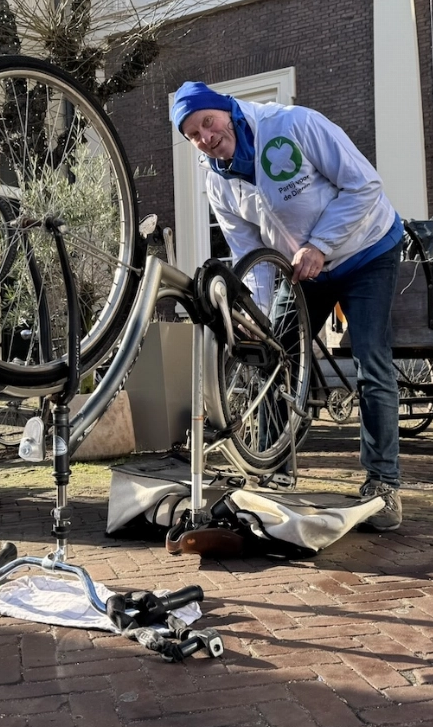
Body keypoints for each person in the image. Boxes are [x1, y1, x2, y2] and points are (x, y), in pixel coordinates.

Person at [171, 81, 404, 532]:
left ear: (226, 109)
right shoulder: (217, 180)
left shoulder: (294, 125)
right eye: (193, 135)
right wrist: (256, 318)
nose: (205, 136)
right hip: (303, 269)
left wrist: (321, 244)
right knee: (273, 355)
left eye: (207, 122)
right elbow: (248, 251)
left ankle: (384, 483)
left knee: (372, 361)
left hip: (366, 250)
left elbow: (364, 185)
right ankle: (271, 464)